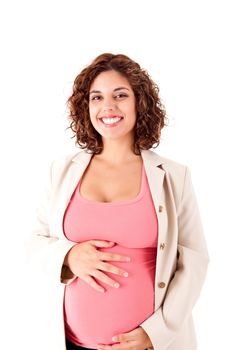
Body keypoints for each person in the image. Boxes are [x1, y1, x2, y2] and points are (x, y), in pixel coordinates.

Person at [25, 53, 209, 350]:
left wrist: (157, 332)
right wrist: (69, 256)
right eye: (96, 97)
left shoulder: (174, 176)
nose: (107, 106)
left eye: (120, 95)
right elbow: (34, 241)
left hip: (151, 345)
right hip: (73, 342)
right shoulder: (61, 171)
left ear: (140, 102)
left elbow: (195, 260)